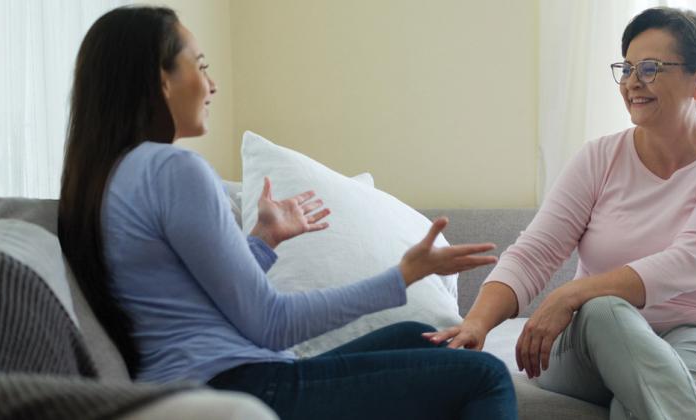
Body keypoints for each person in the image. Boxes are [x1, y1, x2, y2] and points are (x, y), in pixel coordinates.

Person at [56, 6, 516, 420]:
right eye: (199, 66)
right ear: (160, 79)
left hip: (206, 380)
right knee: (485, 376)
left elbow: (195, 300)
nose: (212, 84)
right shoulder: (175, 168)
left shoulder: (109, 178)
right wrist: (403, 275)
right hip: (241, 387)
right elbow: (271, 323)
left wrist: (262, 242)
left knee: (419, 335)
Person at [427, 7, 696, 420]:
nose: (631, 82)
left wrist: (571, 292)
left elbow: (689, 262)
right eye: (626, 68)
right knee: (605, 308)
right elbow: (534, 252)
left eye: (649, 68)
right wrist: (476, 324)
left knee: (635, 401)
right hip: (594, 340)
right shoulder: (599, 157)